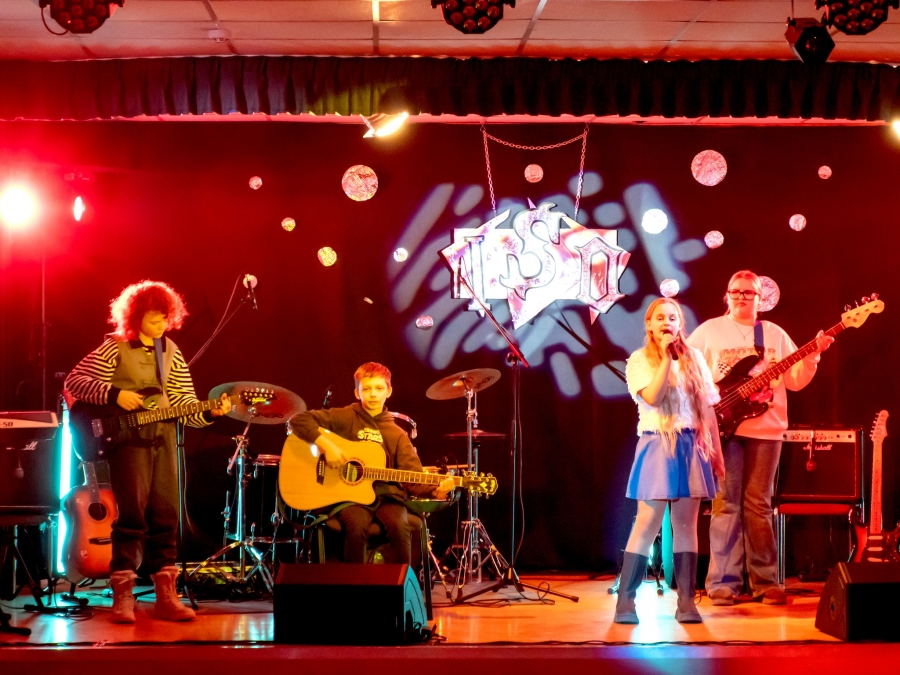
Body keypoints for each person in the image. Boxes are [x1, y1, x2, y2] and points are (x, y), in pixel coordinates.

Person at [65, 281, 231, 623]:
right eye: (154, 319)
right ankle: (123, 595)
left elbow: (184, 404)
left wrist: (211, 413)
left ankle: (166, 596)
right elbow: (75, 381)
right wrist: (115, 394)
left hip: (163, 439)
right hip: (127, 442)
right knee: (131, 517)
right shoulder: (114, 347)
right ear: (136, 316)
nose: (161, 325)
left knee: (166, 515)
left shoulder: (170, 350)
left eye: (165, 319)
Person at [687, 270, 833, 606]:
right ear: (727, 295)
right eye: (735, 291)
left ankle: (766, 582)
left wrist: (813, 355)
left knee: (759, 505)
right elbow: (687, 373)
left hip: (767, 429)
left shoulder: (773, 334)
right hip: (723, 430)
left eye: (748, 292)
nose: (741, 297)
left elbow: (794, 381)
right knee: (725, 504)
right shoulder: (708, 331)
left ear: (760, 298)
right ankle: (722, 583)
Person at [616, 297, 725, 624]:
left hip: (692, 445)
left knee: (686, 525)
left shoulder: (695, 359)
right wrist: (666, 359)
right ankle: (626, 602)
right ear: (650, 325)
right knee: (647, 523)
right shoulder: (639, 360)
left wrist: (717, 454)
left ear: (680, 325)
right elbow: (652, 397)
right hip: (658, 443)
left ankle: (687, 602)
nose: (667, 322)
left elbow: (708, 410)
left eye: (673, 318)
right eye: (660, 318)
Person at [289, 362, 455, 567]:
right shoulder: (345, 417)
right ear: (357, 393)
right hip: (351, 498)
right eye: (366, 389)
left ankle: (401, 583)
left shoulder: (397, 435)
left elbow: (413, 477)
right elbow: (298, 420)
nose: (373, 394)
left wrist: (436, 491)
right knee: (356, 525)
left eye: (379, 388)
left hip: (388, 499)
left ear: (389, 391)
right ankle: (355, 583)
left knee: (398, 524)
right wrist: (326, 445)